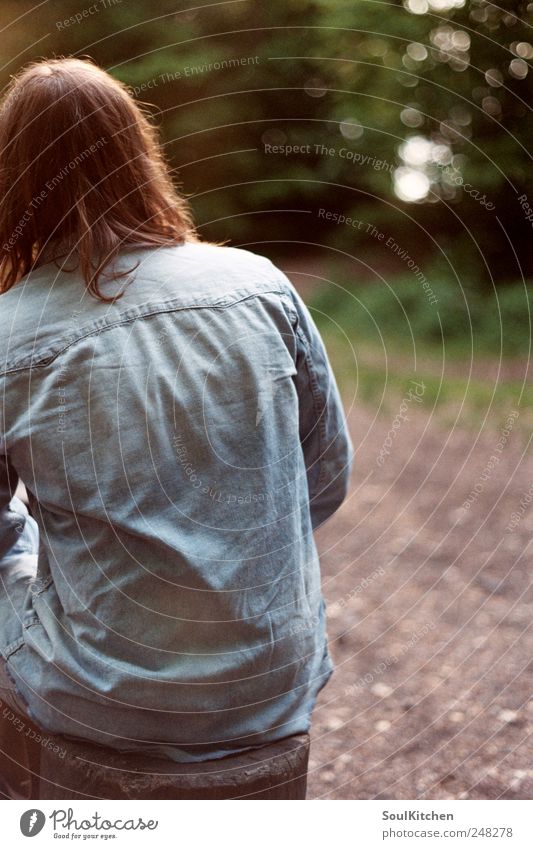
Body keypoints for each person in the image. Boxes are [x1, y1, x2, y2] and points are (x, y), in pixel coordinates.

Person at [0, 57, 352, 798]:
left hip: (97, 698)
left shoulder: (7, 332)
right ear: (137, 154)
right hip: (270, 687)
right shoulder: (259, 282)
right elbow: (321, 479)